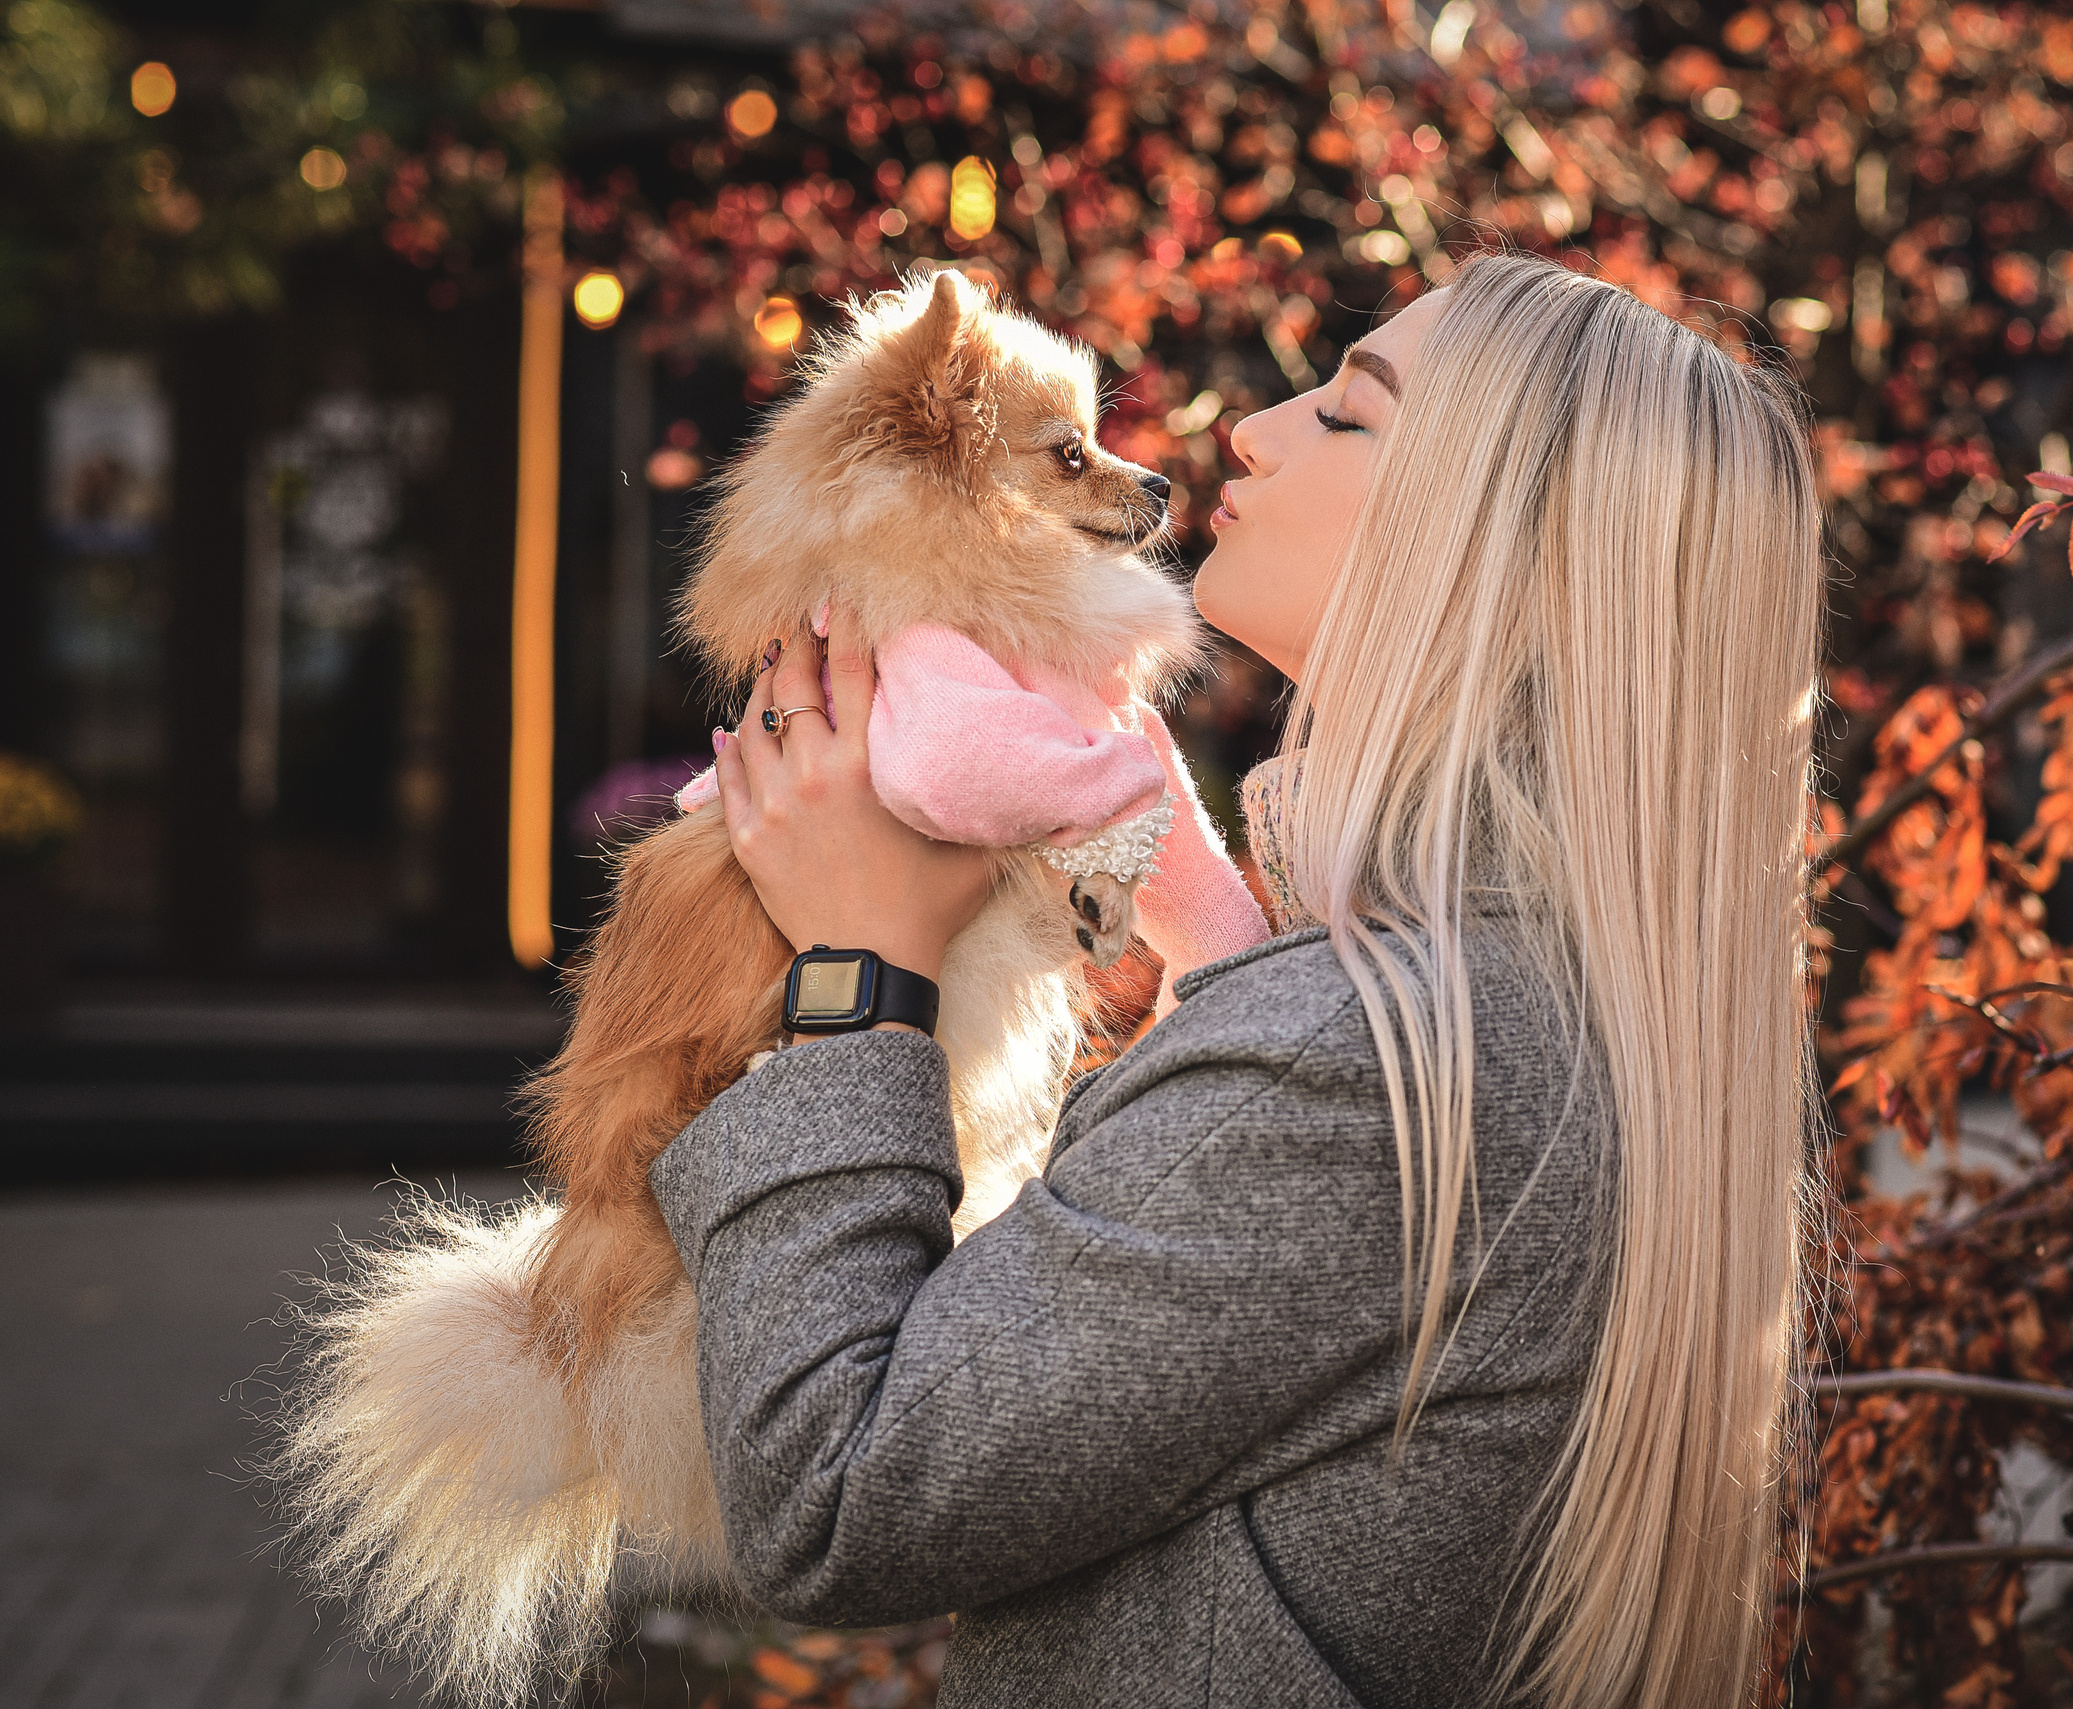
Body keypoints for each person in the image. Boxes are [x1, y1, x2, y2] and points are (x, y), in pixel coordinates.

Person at [660, 252, 1826, 1709]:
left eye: (1347, 413)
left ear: (1500, 546)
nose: (1251, 429)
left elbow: (830, 1501)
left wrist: (856, 977)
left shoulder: (1354, 1058)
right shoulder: (1525, 1004)